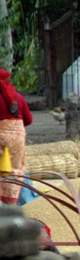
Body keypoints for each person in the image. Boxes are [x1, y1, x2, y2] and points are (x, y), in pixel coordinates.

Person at [0, 69, 33, 206]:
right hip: (18, 137)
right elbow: (29, 119)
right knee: (16, 170)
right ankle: (15, 203)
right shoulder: (18, 98)